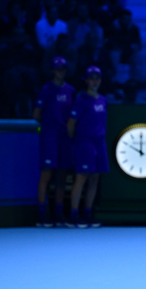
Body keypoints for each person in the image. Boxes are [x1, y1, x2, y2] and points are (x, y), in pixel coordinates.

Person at [33, 57, 76, 227]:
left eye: (63, 68)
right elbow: (36, 114)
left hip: (65, 137)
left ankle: (58, 213)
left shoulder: (71, 90)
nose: (60, 71)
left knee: (62, 175)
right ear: (52, 70)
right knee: (47, 174)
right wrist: (46, 127)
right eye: (58, 69)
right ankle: (42, 213)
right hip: (50, 135)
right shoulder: (46, 89)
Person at [66, 66, 109, 228]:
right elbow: (71, 124)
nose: (95, 81)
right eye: (91, 78)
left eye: (97, 78)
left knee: (95, 178)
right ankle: (74, 214)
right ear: (86, 80)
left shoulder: (103, 100)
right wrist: (76, 142)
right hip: (85, 142)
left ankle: (88, 212)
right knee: (82, 177)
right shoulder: (81, 100)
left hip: (99, 142)